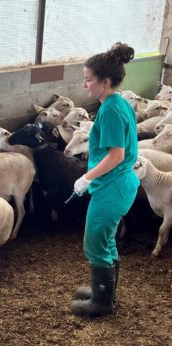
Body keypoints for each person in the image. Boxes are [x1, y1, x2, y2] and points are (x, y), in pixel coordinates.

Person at [71, 43, 140, 317]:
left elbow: (116, 155)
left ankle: (101, 304)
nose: (85, 84)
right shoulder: (118, 102)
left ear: (105, 81)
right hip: (119, 185)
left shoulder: (110, 110)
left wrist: (86, 177)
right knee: (106, 240)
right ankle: (105, 293)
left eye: (89, 79)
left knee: (95, 242)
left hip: (112, 187)